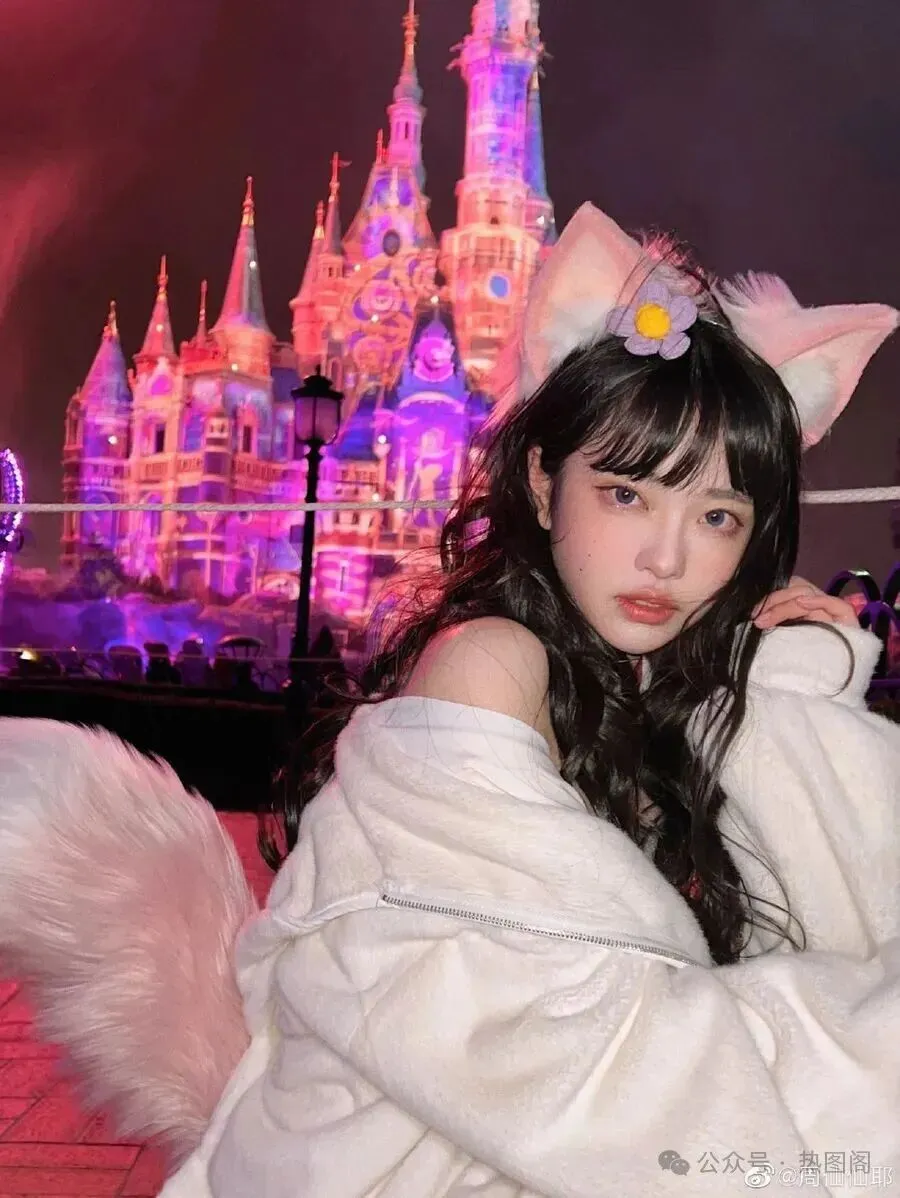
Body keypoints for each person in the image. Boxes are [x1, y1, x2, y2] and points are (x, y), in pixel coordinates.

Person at [0, 203, 897, 1196]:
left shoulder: (651, 682)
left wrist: (792, 682)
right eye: (627, 494)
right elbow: (581, 1076)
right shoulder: (491, 666)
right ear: (543, 484)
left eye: (718, 515)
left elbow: (850, 894)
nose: (668, 556)